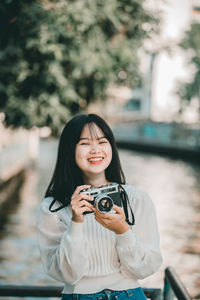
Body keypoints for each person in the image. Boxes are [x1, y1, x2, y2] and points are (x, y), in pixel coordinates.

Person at [37, 113, 162, 300]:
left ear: (111, 146)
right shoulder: (52, 208)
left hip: (130, 295)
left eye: (102, 142)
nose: (95, 150)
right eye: (85, 143)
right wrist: (76, 222)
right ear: (69, 150)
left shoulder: (136, 199)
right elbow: (67, 275)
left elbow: (146, 268)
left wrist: (123, 231)